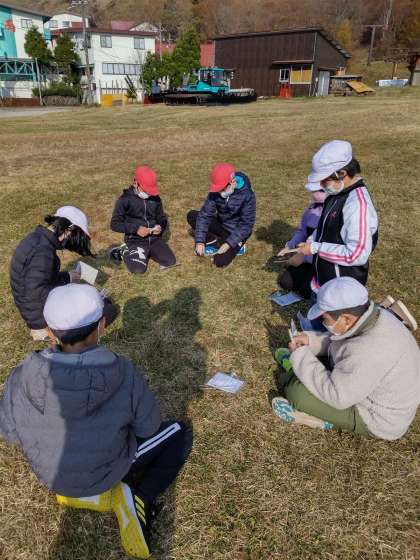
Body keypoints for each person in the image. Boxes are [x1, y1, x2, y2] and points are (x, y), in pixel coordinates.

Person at [0, 284, 192, 560]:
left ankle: (77, 494)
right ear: (102, 325)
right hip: (108, 473)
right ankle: (139, 495)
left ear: (50, 332)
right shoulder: (123, 371)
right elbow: (149, 427)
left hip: (53, 478)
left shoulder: (20, 375)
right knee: (179, 431)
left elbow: (8, 431)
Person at [271, 277, 420, 440]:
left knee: (297, 393)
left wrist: (300, 358)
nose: (323, 322)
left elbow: (337, 396)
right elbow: (343, 340)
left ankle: (316, 412)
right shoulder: (372, 316)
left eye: (325, 319)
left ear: (346, 318)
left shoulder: (369, 351)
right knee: (311, 367)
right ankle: (294, 366)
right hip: (362, 387)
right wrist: (311, 341)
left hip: (375, 417)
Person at [297, 140, 378, 292]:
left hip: (341, 288)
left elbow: (356, 254)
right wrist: (311, 240)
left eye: (324, 180)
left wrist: (316, 248)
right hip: (326, 278)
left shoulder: (357, 205)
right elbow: (326, 225)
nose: (321, 185)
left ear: (342, 173)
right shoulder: (335, 193)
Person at [9, 206, 93, 342]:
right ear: (68, 230)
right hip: (38, 318)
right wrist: (44, 326)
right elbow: (36, 294)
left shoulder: (37, 238)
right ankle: (43, 333)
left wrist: (68, 276)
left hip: (30, 306)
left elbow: (41, 280)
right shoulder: (43, 252)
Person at [187, 163, 256, 268]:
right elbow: (204, 215)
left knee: (219, 261)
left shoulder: (247, 195)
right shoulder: (215, 191)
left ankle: (238, 245)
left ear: (232, 182)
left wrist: (228, 244)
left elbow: (246, 225)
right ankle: (213, 240)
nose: (219, 191)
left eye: (222, 188)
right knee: (192, 216)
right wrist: (200, 241)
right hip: (222, 225)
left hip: (237, 232)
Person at [110, 166, 176, 275]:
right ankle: (124, 250)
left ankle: (146, 253)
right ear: (135, 182)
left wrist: (161, 227)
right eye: (145, 189)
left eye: (150, 190)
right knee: (138, 269)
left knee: (170, 261)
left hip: (154, 240)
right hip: (135, 241)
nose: (148, 193)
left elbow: (162, 218)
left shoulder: (156, 198)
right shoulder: (125, 200)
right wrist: (136, 229)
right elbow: (114, 224)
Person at [277, 182, 327, 299]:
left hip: (322, 262)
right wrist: (290, 246)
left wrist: (303, 258)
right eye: (313, 191)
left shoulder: (331, 214)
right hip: (305, 255)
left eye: (319, 191)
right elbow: (302, 231)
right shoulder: (311, 209)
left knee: (307, 291)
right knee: (286, 283)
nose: (314, 194)